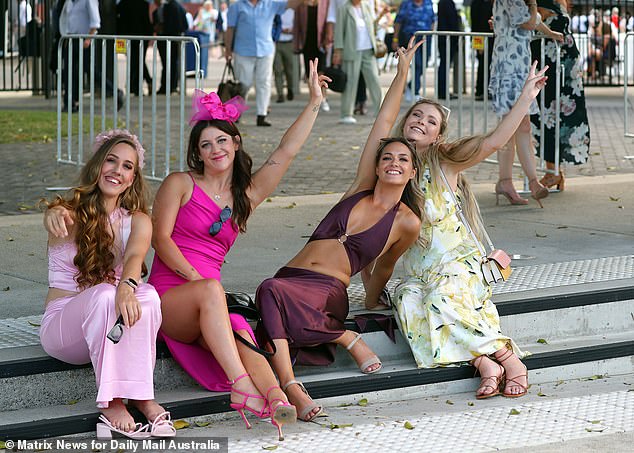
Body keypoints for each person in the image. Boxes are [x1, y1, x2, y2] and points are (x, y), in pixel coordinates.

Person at [147, 60, 329, 440]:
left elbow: (286, 151)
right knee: (215, 294)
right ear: (197, 153)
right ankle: (242, 387)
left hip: (209, 302)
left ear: (236, 142)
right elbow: (159, 239)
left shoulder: (245, 197)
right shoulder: (179, 183)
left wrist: (314, 101)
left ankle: (278, 397)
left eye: (222, 140)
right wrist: (199, 281)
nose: (215, 149)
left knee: (240, 328)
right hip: (171, 297)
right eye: (206, 144)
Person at [360, 38, 548, 400]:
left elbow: (494, 142)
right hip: (419, 272)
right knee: (409, 300)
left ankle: (509, 360)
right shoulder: (391, 165)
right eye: (416, 115)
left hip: (459, 265)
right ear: (405, 120)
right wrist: (370, 287)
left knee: (440, 300)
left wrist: (526, 97)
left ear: (439, 135)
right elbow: (370, 231)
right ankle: (486, 363)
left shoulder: (444, 163)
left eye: (431, 121)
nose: (421, 122)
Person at [256, 133, 423, 423]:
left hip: (328, 289)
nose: (394, 163)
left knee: (268, 292)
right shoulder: (358, 191)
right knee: (272, 294)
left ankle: (291, 386)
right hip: (290, 278)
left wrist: (371, 300)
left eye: (402, 159)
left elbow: (385, 266)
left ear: (413, 172)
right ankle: (341, 339)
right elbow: (382, 121)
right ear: (376, 167)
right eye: (387, 157)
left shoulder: (407, 222)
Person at [40, 130, 174, 439]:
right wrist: (51, 213)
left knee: (149, 296)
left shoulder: (138, 219)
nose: (117, 170)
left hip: (109, 324)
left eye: (127, 166)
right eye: (111, 161)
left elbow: (135, 256)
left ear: (132, 178)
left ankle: (142, 396)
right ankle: (112, 402)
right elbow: (57, 214)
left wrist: (127, 287)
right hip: (63, 328)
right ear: (97, 166)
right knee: (102, 293)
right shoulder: (68, 214)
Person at [489, 0, 561, 207]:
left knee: (519, 127)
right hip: (508, 69)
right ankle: (526, 181)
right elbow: (528, 22)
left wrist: (551, 33)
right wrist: (533, 4)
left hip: (518, 68)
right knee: (513, 127)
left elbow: (534, 21)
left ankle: (512, 182)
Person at [530, 0, 590, 190]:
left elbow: (535, 21)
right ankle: (554, 171)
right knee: (553, 118)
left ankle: (553, 171)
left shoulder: (549, 5)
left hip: (556, 66)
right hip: (558, 64)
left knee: (550, 118)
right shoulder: (556, 4)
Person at [225, 0, 303, 127]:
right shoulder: (237, 7)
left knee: (264, 83)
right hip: (243, 51)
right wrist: (228, 49)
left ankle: (262, 115)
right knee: (243, 84)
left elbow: (291, 4)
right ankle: (237, 113)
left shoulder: (271, 4)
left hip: (265, 50)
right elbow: (230, 28)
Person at [58, 0, 123, 112]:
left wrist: (89, 38)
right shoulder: (71, 2)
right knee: (70, 71)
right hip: (71, 38)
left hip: (84, 39)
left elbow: (95, 22)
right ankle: (70, 102)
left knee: (90, 70)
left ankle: (114, 91)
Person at [332, 0, 383, 124]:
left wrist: (381, 16)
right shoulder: (344, 9)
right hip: (351, 50)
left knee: (374, 80)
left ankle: (381, 112)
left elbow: (373, 27)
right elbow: (339, 31)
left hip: (368, 50)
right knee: (350, 82)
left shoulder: (367, 7)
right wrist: (338, 51)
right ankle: (346, 114)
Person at [391, 0, 436, 102]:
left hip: (426, 39)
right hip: (410, 38)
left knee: (424, 64)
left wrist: (432, 33)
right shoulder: (406, 3)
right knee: (418, 64)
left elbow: (433, 19)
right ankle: (414, 90)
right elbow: (398, 22)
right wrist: (395, 39)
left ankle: (411, 86)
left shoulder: (428, 2)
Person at [293, 0, 329, 111]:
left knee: (321, 72)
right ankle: (313, 99)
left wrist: (328, 40)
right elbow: (297, 25)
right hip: (307, 44)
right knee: (311, 73)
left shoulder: (325, 3)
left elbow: (329, 22)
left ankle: (323, 98)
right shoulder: (301, 6)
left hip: (321, 44)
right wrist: (296, 44)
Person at [116, 0, 154, 96]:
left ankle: (135, 86)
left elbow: (118, 19)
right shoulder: (144, 4)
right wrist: (150, 35)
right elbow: (146, 21)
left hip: (127, 37)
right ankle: (138, 85)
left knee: (134, 61)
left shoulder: (122, 4)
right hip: (142, 37)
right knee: (139, 61)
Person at [154, 0, 188, 94]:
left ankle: (165, 86)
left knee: (166, 64)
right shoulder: (180, 7)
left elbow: (166, 25)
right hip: (177, 39)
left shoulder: (167, 8)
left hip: (166, 39)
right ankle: (173, 85)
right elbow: (185, 25)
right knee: (173, 63)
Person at [470, 0, 494, 101]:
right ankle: (480, 90)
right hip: (480, 38)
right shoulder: (477, 3)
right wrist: (478, 45)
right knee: (482, 63)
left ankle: (486, 90)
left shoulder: (489, 2)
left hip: (491, 39)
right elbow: (475, 24)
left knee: (488, 64)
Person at [274, 8, 299, 103]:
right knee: (277, 69)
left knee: (290, 69)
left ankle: (290, 89)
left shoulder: (293, 11)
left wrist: (292, 30)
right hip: (277, 42)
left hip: (289, 42)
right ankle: (280, 93)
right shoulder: (276, 9)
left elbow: (297, 26)